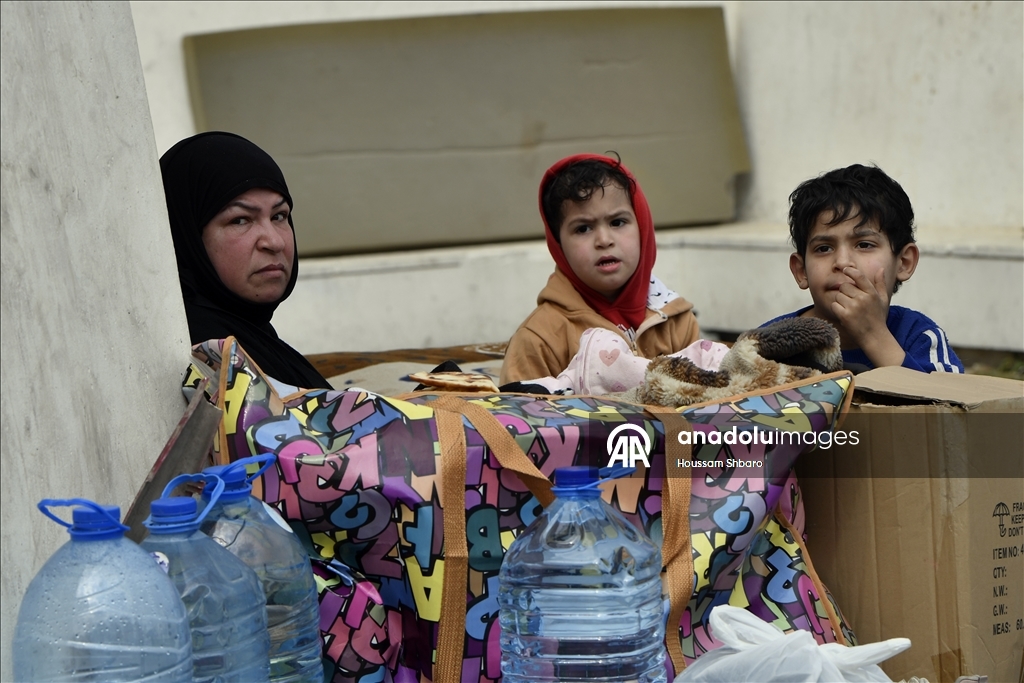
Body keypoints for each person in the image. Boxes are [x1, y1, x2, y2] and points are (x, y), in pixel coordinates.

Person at [500, 154, 700, 385]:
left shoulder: (676, 322)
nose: (604, 240)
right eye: (583, 228)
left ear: (642, 227)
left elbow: (704, 406)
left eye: (617, 222)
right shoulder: (540, 339)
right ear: (558, 245)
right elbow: (518, 417)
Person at [161, 132, 332, 389]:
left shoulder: (254, 340)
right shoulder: (198, 357)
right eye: (240, 220)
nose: (274, 242)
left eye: (279, 216)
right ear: (188, 237)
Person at [762, 163, 963, 373]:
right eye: (823, 248)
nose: (842, 262)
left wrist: (873, 335)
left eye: (864, 245)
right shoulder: (773, 343)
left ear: (904, 262)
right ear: (801, 271)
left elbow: (943, 402)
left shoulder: (919, 337)